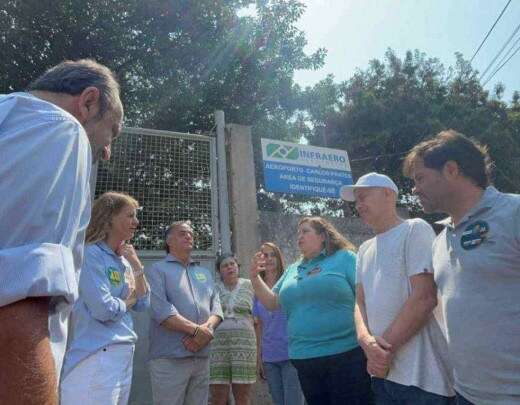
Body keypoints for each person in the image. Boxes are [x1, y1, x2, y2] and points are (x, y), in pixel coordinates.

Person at [0, 59, 123, 404]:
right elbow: (20, 297)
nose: (109, 152)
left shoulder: (11, 117)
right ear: (87, 102)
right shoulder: (59, 128)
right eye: (112, 131)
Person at [403, 129, 520, 405]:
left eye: (420, 178)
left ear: (451, 170)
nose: (415, 189)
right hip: (466, 395)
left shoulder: (514, 214)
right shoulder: (440, 240)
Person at [341, 172, 454, 404]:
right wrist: (365, 340)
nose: (359, 205)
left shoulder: (414, 229)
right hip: (382, 376)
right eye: (357, 200)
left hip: (422, 379)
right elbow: (359, 301)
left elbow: (424, 297)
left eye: (364, 197)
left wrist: (381, 353)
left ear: (388, 194)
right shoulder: (364, 248)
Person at [250, 217, 373, 405]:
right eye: (298, 232)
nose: (299, 236)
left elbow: (365, 297)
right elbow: (272, 303)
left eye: (305, 231)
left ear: (323, 236)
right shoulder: (293, 269)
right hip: (304, 358)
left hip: (345, 355)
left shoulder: (345, 258)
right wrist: (254, 277)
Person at [60, 192, 149, 404]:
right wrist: (129, 300)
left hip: (123, 353)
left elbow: (144, 302)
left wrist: (136, 265)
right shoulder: (91, 254)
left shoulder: (126, 260)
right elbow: (104, 309)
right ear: (109, 217)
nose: (136, 221)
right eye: (129, 216)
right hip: (97, 355)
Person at [146, 220, 223, 405]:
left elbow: (217, 309)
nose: (189, 236)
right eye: (182, 233)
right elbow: (162, 312)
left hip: (201, 358)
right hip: (170, 359)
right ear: (169, 240)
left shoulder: (204, 272)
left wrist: (204, 333)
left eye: (190, 233)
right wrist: (198, 332)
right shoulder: (156, 270)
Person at [253, 242, 305, 405]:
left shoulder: (289, 283)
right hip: (269, 357)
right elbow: (259, 326)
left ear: (279, 258)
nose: (269, 259)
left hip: (292, 354)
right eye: (265, 255)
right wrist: (259, 358)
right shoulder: (257, 290)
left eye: (272, 254)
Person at [210, 253, 256, 405]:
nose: (229, 267)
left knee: (242, 394)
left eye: (232, 264)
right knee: (218, 394)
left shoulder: (250, 285)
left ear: (237, 266)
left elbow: (260, 314)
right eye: (225, 265)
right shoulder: (213, 288)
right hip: (218, 345)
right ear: (219, 271)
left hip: (244, 344)